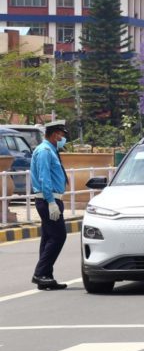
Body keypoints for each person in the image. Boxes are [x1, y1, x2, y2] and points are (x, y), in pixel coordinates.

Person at [29, 120, 70, 290]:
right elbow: (44, 178)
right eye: (61, 135)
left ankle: (46, 276)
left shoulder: (50, 150)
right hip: (48, 200)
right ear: (54, 134)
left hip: (52, 199)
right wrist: (51, 202)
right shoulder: (45, 151)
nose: (63, 138)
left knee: (48, 238)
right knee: (59, 236)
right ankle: (40, 274)